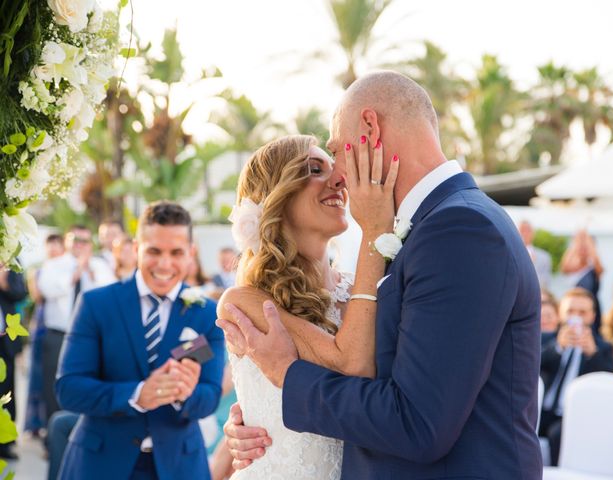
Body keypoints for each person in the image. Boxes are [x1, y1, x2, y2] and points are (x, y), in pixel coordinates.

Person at [219, 71, 542, 479]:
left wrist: (286, 378)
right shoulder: (429, 229)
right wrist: (256, 409)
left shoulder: (456, 230)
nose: (339, 173)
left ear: (370, 127)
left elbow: (417, 422)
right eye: (318, 167)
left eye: (336, 151)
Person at [212, 133, 396, 479]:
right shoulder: (244, 301)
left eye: (334, 169)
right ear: (276, 195)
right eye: (314, 169)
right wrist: (375, 231)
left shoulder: (363, 288)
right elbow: (350, 364)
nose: (340, 180)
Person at [56, 201, 226, 480]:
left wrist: (185, 394)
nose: (164, 264)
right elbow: (69, 388)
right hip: (101, 465)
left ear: (191, 254)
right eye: (154, 251)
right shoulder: (96, 305)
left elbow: (209, 396)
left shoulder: (206, 315)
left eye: (176, 253)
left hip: (178, 466)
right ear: (136, 249)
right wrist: (136, 395)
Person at [37, 225, 115, 422]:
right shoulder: (54, 265)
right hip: (58, 334)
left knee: (86, 382)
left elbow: (110, 296)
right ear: (67, 241)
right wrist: (77, 271)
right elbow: (49, 290)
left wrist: (90, 271)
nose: (80, 245)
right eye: (75, 240)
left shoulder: (100, 266)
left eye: (85, 241)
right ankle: (52, 435)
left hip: (90, 338)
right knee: (52, 385)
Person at [539, 287, 613, 465]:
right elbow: (534, 364)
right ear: (561, 313)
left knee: (558, 435)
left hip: (576, 413)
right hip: (543, 409)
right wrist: (558, 348)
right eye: (571, 311)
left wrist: (593, 354)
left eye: (582, 312)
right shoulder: (548, 339)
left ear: (592, 316)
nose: (576, 316)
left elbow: (608, 380)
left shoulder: (603, 348)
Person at [24, 233, 65, 438]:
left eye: (57, 245)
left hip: (58, 326)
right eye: (50, 245)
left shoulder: (66, 270)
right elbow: (38, 296)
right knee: (37, 376)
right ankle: (34, 423)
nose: (54, 249)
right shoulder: (38, 271)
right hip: (41, 325)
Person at [0, 267, 28, 459]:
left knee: (7, 389)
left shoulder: (10, 260)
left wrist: (3, 281)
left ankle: (6, 442)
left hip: (4, 340)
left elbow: (21, 293)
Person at [560, 229, 604, 330]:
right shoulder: (572, 267)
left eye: (586, 247)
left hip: (591, 307)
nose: (583, 249)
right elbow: (564, 267)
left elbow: (600, 268)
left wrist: (587, 238)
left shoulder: (593, 267)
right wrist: (577, 241)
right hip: (573, 306)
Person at [518, 220, 553, 288]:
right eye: (522, 230)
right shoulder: (511, 255)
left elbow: (546, 281)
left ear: (533, 233)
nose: (525, 233)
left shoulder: (544, 257)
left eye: (528, 230)